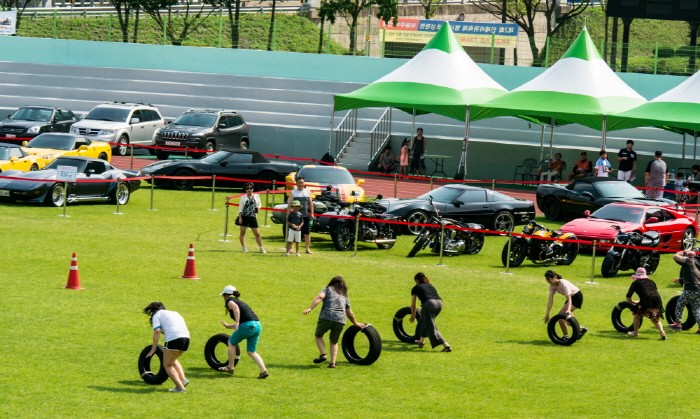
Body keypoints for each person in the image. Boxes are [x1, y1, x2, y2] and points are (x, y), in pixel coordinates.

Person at [301, 276, 365, 368]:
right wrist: (355, 323)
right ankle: (333, 363)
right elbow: (350, 313)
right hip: (340, 320)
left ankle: (323, 354)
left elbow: (319, 297)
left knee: (318, 335)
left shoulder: (328, 289)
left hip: (327, 317)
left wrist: (310, 308)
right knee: (334, 342)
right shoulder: (344, 295)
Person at [218, 285, 269, 379]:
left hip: (247, 326)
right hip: (257, 326)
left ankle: (230, 367)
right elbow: (246, 320)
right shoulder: (239, 301)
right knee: (251, 351)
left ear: (226, 295)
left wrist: (236, 322)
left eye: (223, 295)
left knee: (231, 342)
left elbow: (236, 309)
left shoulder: (230, 301)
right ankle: (263, 370)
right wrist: (229, 326)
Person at [143, 302, 190, 393]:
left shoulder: (156, 315)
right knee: (173, 359)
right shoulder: (174, 313)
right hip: (186, 338)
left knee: (167, 365)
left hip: (174, 339)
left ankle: (181, 388)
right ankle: (183, 380)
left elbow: (157, 331)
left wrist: (154, 348)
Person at [409, 272, 452, 352]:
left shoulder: (415, 288)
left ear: (417, 280)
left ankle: (447, 346)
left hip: (429, 304)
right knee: (424, 321)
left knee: (430, 326)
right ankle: (421, 341)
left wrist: (413, 314)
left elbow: (413, 305)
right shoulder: (430, 285)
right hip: (439, 303)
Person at [543, 270, 587, 340]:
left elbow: (569, 299)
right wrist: (547, 314)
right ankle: (581, 329)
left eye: (549, 280)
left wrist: (569, 309)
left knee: (561, 317)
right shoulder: (552, 286)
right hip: (571, 298)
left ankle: (566, 337)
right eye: (547, 280)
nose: (549, 282)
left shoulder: (563, 283)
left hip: (576, 297)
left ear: (554, 277)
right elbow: (550, 301)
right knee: (565, 318)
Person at [625, 267, 666, 340]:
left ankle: (635, 333)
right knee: (654, 317)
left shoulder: (636, 283)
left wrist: (632, 301)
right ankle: (662, 332)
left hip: (646, 300)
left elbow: (628, 297)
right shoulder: (651, 281)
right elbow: (651, 292)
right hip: (657, 299)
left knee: (637, 315)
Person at [669, 250, 700, 334]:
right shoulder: (697, 263)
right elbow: (693, 276)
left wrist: (682, 252)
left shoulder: (689, 260)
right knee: (696, 309)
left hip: (691, 289)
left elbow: (675, 257)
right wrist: (680, 280)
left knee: (680, 304)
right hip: (698, 290)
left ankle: (678, 325)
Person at [237, 182, 266, 254]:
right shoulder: (243, 197)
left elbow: (259, 205)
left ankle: (261, 248)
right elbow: (240, 208)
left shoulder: (256, 196)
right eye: (247, 188)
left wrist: (257, 208)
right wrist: (240, 218)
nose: (249, 190)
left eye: (251, 188)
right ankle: (243, 247)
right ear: (245, 190)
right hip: (244, 216)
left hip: (253, 217)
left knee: (257, 233)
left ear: (253, 189)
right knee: (242, 232)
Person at [287, 177, 314, 254]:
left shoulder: (307, 192)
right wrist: (288, 213)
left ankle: (307, 249)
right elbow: (289, 204)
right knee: (293, 232)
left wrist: (312, 212)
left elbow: (310, 203)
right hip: (295, 216)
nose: (301, 184)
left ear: (304, 183)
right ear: (296, 183)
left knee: (307, 233)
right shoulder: (293, 192)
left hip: (305, 215)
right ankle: (290, 248)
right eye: (299, 182)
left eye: (302, 182)